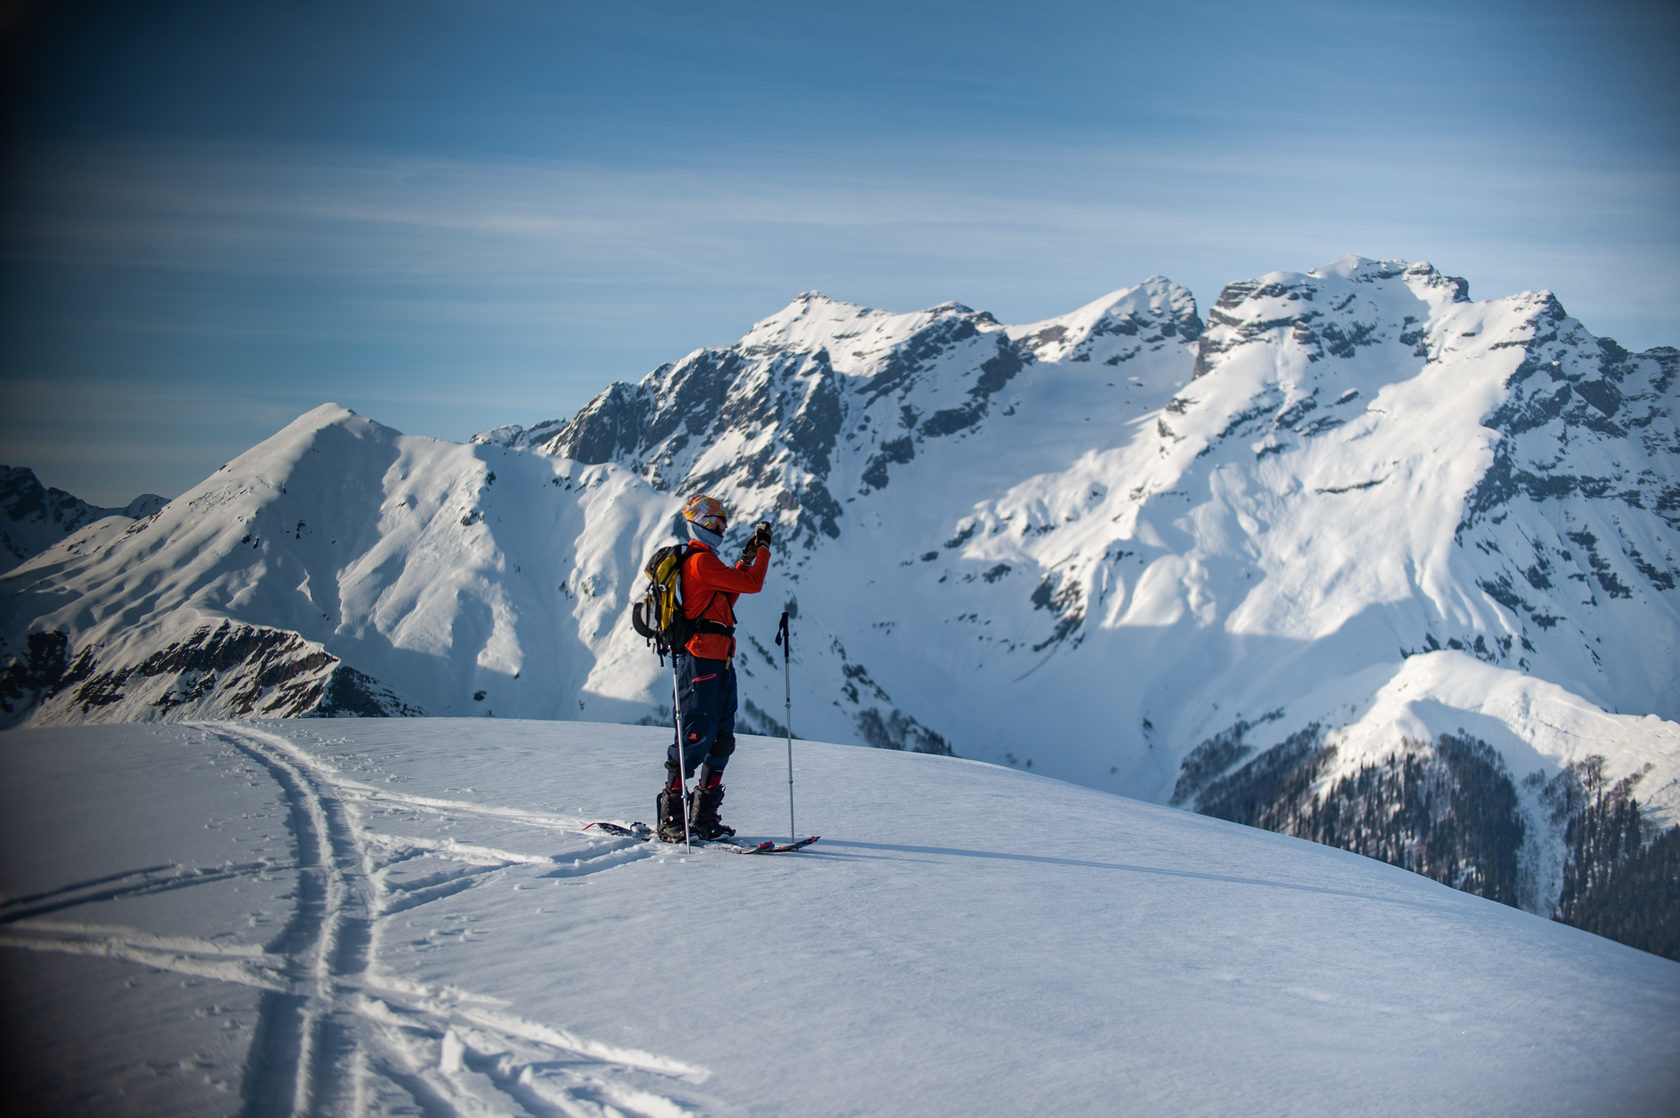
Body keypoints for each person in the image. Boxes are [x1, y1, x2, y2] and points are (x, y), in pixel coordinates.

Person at [657, 494, 773, 842]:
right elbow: (752, 585)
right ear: (701, 523)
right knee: (694, 734)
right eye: (717, 521)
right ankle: (672, 816)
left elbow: (728, 594)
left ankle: (703, 816)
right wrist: (764, 549)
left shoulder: (709, 563)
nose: (723, 526)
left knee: (721, 736)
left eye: (723, 521)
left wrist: (746, 557)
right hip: (701, 658)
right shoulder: (700, 563)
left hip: (719, 658)